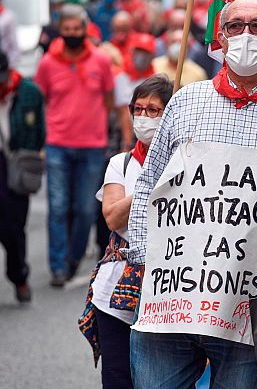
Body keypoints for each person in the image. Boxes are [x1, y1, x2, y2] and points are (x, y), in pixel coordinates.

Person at [125, 0, 257, 387]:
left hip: (249, 310)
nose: (245, 35)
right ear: (220, 38)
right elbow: (147, 184)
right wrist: (144, 254)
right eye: (235, 26)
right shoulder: (185, 101)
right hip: (169, 299)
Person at [79, 74, 173, 389]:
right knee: (118, 377)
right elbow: (113, 216)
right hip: (117, 290)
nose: (144, 117)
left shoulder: (185, 163)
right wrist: (150, 185)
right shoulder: (120, 164)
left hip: (169, 288)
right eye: (138, 109)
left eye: (154, 110)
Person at [34, 3, 115, 287]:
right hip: (57, 144)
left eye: (77, 29)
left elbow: (108, 99)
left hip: (92, 146)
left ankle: (73, 258)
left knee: (84, 209)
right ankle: (57, 266)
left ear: (85, 30)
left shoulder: (101, 61)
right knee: (57, 207)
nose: (72, 33)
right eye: (67, 29)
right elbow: (41, 101)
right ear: (60, 30)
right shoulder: (47, 63)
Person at [0, 52, 45, 303]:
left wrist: (34, 157)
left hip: (18, 160)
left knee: (14, 226)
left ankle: (19, 276)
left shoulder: (28, 92)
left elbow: (39, 130)